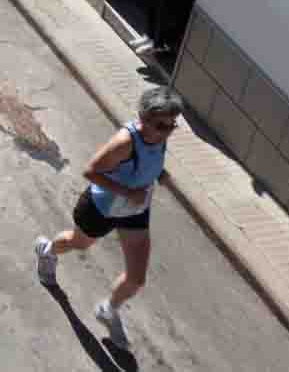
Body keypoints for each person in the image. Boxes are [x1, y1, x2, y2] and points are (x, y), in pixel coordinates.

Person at [34, 86, 185, 345]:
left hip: (134, 211)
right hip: (101, 208)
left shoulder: (160, 137)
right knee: (78, 244)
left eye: (172, 126)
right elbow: (91, 171)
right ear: (144, 120)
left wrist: (160, 174)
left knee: (137, 278)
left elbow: (151, 160)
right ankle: (47, 251)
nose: (167, 131)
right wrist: (127, 190)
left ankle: (109, 309)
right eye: (162, 126)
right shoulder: (124, 143)